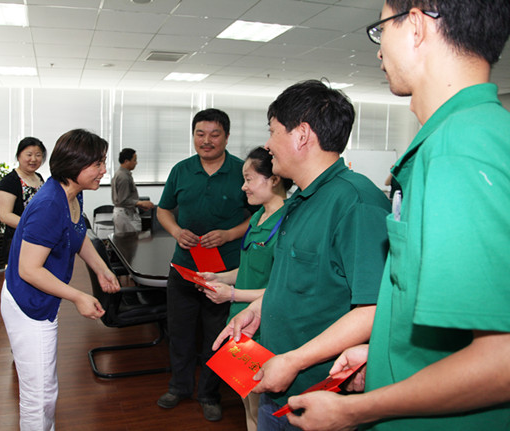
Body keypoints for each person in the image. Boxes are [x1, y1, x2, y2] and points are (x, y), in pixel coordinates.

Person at [277, 1, 510, 430]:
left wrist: (355, 410)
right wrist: (383, 352)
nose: (380, 51)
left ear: (416, 26)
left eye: (381, 29)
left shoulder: (458, 150)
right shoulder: (463, 137)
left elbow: (501, 361)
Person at [213, 80, 391, 431]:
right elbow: (298, 279)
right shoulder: (300, 200)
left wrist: (294, 361)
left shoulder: (356, 203)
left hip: (319, 396)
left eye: (273, 131)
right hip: (277, 382)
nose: (267, 144)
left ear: (302, 135)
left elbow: (374, 310)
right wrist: (258, 308)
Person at [0, 129, 120, 431]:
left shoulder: (72, 192)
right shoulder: (50, 205)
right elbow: (29, 270)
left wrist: (101, 268)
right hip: (29, 303)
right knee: (39, 396)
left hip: (38, 298)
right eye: (97, 164)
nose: (104, 170)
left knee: (45, 390)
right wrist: (79, 296)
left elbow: (77, 234)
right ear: (74, 165)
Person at [156, 108, 256, 422]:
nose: (206, 140)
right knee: (180, 332)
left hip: (225, 273)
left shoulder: (242, 171)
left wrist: (230, 234)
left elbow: (259, 216)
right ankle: (179, 387)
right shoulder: (181, 170)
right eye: (200, 134)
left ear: (227, 137)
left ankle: (209, 394)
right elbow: (163, 210)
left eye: (214, 134)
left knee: (217, 335)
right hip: (184, 268)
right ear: (193, 136)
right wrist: (176, 231)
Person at [199, 146, 293, 431]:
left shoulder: (290, 222)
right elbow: (250, 269)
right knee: (247, 402)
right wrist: (219, 277)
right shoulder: (257, 217)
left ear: (273, 179)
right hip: (239, 321)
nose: (243, 187)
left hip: (264, 327)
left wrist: (231, 294)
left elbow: (283, 288)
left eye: (249, 179)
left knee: (260, 406)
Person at [0, 137, 47, 263]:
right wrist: (33, 226)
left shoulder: (39, 177)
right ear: (19, 156)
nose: (33, 159)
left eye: (38, 155)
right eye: (29, 155)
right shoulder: (10, 181)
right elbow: (5, 215)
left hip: (39, 238)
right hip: (19, 240)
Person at [111, 148, 154, 233]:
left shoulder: (121, 174)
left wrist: (139, 204)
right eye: (134, 160)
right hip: (125, 214)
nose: (136, 163)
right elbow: (123, 200)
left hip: (124, 213)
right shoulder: (123, 177)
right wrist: (140, 203)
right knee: (130, 240)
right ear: (126, 161)